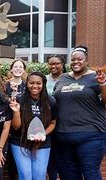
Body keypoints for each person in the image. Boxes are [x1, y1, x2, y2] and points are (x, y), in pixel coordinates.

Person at [53, 45, 106, 180]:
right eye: (73, 59)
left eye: (79, 59)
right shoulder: (63, 78)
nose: (76, 62)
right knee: (68, 175)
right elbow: (54, 101)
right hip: (63, 136)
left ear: (86, 61)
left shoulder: (96, 77)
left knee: (90, 174)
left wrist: (103, 85)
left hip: (91, 135)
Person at [9, 72, 57, 180]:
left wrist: (43, 133)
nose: (35, 86)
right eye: (31, 83)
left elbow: (53, 123)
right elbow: (16, 127)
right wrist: (16, 112)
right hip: (20, 142)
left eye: (38, 83)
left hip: (42, 143)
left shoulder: (51, 101)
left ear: (43, 84)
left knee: (39, 176)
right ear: (27, 84)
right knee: (25, 175)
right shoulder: (19, 100)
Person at [45, 54, 66, 180]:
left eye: (56, 63)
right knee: (50, 157)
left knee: (63, 157)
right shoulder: (45, 79)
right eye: (51, 64)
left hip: (64, 122)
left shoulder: (67, 78)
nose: (53, 66)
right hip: (48, 122)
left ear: (62, 64)